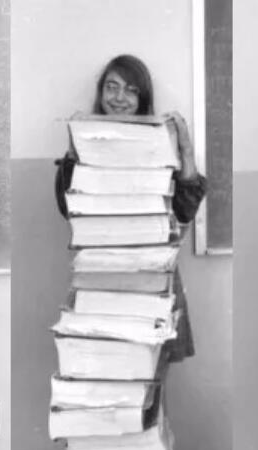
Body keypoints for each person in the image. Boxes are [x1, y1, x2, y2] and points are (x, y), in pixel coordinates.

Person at [54, 54, 207, 360]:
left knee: (150, 377)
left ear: (142, 98)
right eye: (111, 87)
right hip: (101, 275)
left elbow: (184, 212)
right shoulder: (87, 143)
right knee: (106, 369)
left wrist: (186, 150)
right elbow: (66, 207)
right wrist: (74, 149)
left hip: (153, 276)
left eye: (131, 90)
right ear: (101, 93)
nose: (119, 98)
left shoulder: (159, 143)